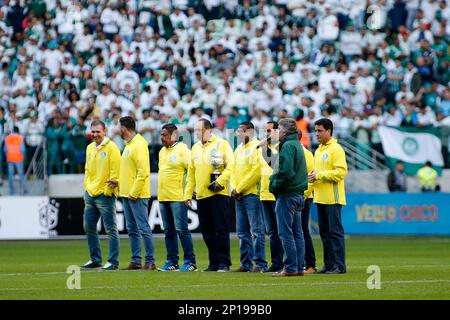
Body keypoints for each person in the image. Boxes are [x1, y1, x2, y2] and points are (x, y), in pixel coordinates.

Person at [184, 119, 234, 272]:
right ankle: (213, 262)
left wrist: (220, 181)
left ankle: (224, 263)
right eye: (195, 130)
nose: (196, 132)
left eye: (198, 129)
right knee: (207, 231)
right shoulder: (195, 148)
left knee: (221, 229)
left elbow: (231, 165)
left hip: (219, 193)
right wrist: (187, 194)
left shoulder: (222, 144)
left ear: (208, 130)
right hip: (202, 195)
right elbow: (191, 174)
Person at [269, 118, 308, 277]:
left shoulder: (287, 146)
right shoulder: (296, 144)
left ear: (284, 132)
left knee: (286, 233)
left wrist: (274, 186)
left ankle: (290, 267)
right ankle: (298, 267)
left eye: (277, 129)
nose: (276, 132)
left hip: (287, 195)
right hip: (298, 194)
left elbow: (285, 172)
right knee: (297, 234)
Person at [80, 120, 121, 270]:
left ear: (105, 131)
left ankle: (113, 262)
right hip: (90, 194)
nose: (95, 134)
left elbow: (116, 172)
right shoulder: (90, 148)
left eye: (98, 131)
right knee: (89, 227)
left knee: (110, 228)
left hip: (105, 195)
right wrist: (87, 188)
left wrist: (108, 191)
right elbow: (87, 170)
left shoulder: (112, 148)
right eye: (93, 131)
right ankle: (95, 259)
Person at [309, 118, 347, 274]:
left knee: (335, 233)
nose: (316, 134)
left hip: (333, 197)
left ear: (329, 131)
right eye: (315, 130)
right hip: (320, 198)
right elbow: (316, 175)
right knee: (324, 233)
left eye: (320, 131)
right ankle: (329, 264)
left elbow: (341, 172)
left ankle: (340, 266)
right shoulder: (318, 150)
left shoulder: (336, 149)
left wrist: (319, 175)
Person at [118, 116, 156, 271]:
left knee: (143, 228)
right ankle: (136, 260)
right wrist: (119, 183)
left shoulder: (139, 145)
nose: (118, 129)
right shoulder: (129, 145)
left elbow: (143, 172)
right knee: (132, 229)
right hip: (127, 194)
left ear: (124, 128)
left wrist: (134, 192)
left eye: (119, 127)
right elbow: (130, 171)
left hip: (137, 195)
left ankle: (150, 261)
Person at [157, 123, 197, 272]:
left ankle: (190, 262)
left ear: (174, 136)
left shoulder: (183, 150)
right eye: (161, 135)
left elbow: (192, 170)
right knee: (168, 231)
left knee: (182, 230)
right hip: (163, 197)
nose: (162, 137)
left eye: (164, 135)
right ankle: (172, 262)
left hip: (178, 197)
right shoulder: (162, 151)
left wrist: (190, 190)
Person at [230, 121, 267, 273]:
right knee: (242, 232)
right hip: (238, 196)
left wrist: (238, 188)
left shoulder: (258, 146)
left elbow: (256, 172)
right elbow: (231, 170)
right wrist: (233, 188)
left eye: (241, 131)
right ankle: (245, 264)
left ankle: (260, 264)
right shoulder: (238, 149)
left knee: (256, 231)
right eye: (237, 132)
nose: (238, 134)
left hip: (252, 194)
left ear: (250, 132)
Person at [259, 121, 284, 273]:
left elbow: (274, 165)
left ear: (276, 132)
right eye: (264, 130)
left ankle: (291, 263)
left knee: (283, 231)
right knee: (273, 233)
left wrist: (264, 148)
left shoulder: (281, 147)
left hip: (278, 194)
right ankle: (276, 262)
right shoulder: (264, 148)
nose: (265, 133)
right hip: (265, 194)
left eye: (269, 130)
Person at [298, 129, 317, 274]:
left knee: (303, 230)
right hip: (295, 197)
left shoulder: (306, 154)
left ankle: (310, 264)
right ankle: (299, 262)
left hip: (303, 197)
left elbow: (310, 178)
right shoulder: (291, 152)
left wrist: (302, 196)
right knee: (296, 231)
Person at [4, 126, 27, 195]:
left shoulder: (7, 138)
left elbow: (5, 150)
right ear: (18, 131)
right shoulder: (20, 137)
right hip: (18, 158)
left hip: (10, 158)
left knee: (10, 175)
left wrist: (8, 155)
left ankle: (11, 190)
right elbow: (23, 149)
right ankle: (23, 189)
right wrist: (24, 156)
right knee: (21, 174)